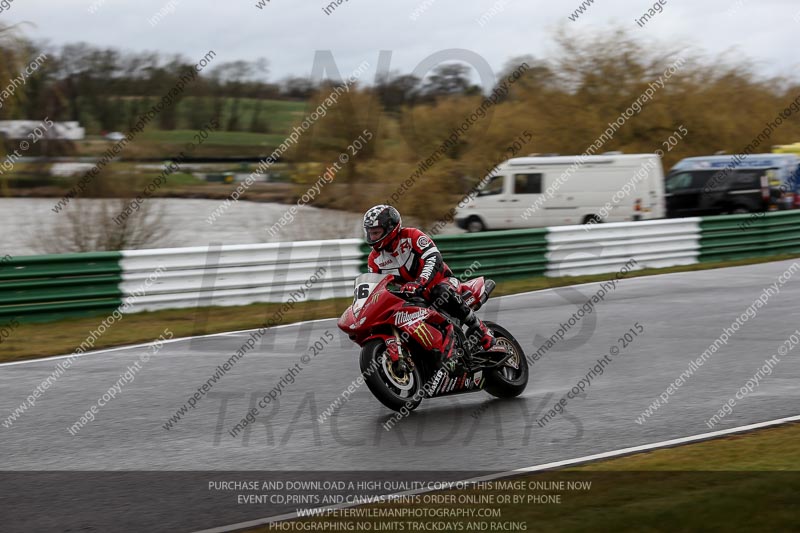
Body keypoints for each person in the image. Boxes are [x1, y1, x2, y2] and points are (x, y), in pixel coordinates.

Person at [363, 204, 498, 371]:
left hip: (443, 282)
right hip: (414, 296)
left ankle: (481, 330)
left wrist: (420, 281)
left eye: (376, 232)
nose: (372, 236)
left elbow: (433, 258)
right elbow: (375, 287)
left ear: (390, 228)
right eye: (369, 232)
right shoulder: (374, 259)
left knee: (440, 292)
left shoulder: (412, 236)